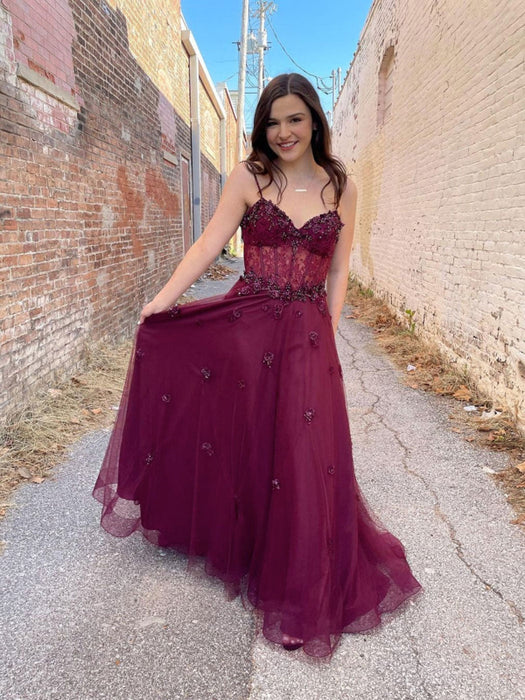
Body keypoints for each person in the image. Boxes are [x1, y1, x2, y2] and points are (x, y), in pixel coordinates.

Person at [93, 73, 423, 658]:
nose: (283, 132)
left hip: (306, 335)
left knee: (301, 452)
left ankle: (300, 592)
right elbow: (208, 245)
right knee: (244, 439)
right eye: (272, 121)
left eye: (294, 119)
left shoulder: (342, 186)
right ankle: (246, 546)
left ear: (315, 120)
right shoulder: (250, 176)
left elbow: (339, 268)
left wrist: (328, 332)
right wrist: (161, 303)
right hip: (246, 328)